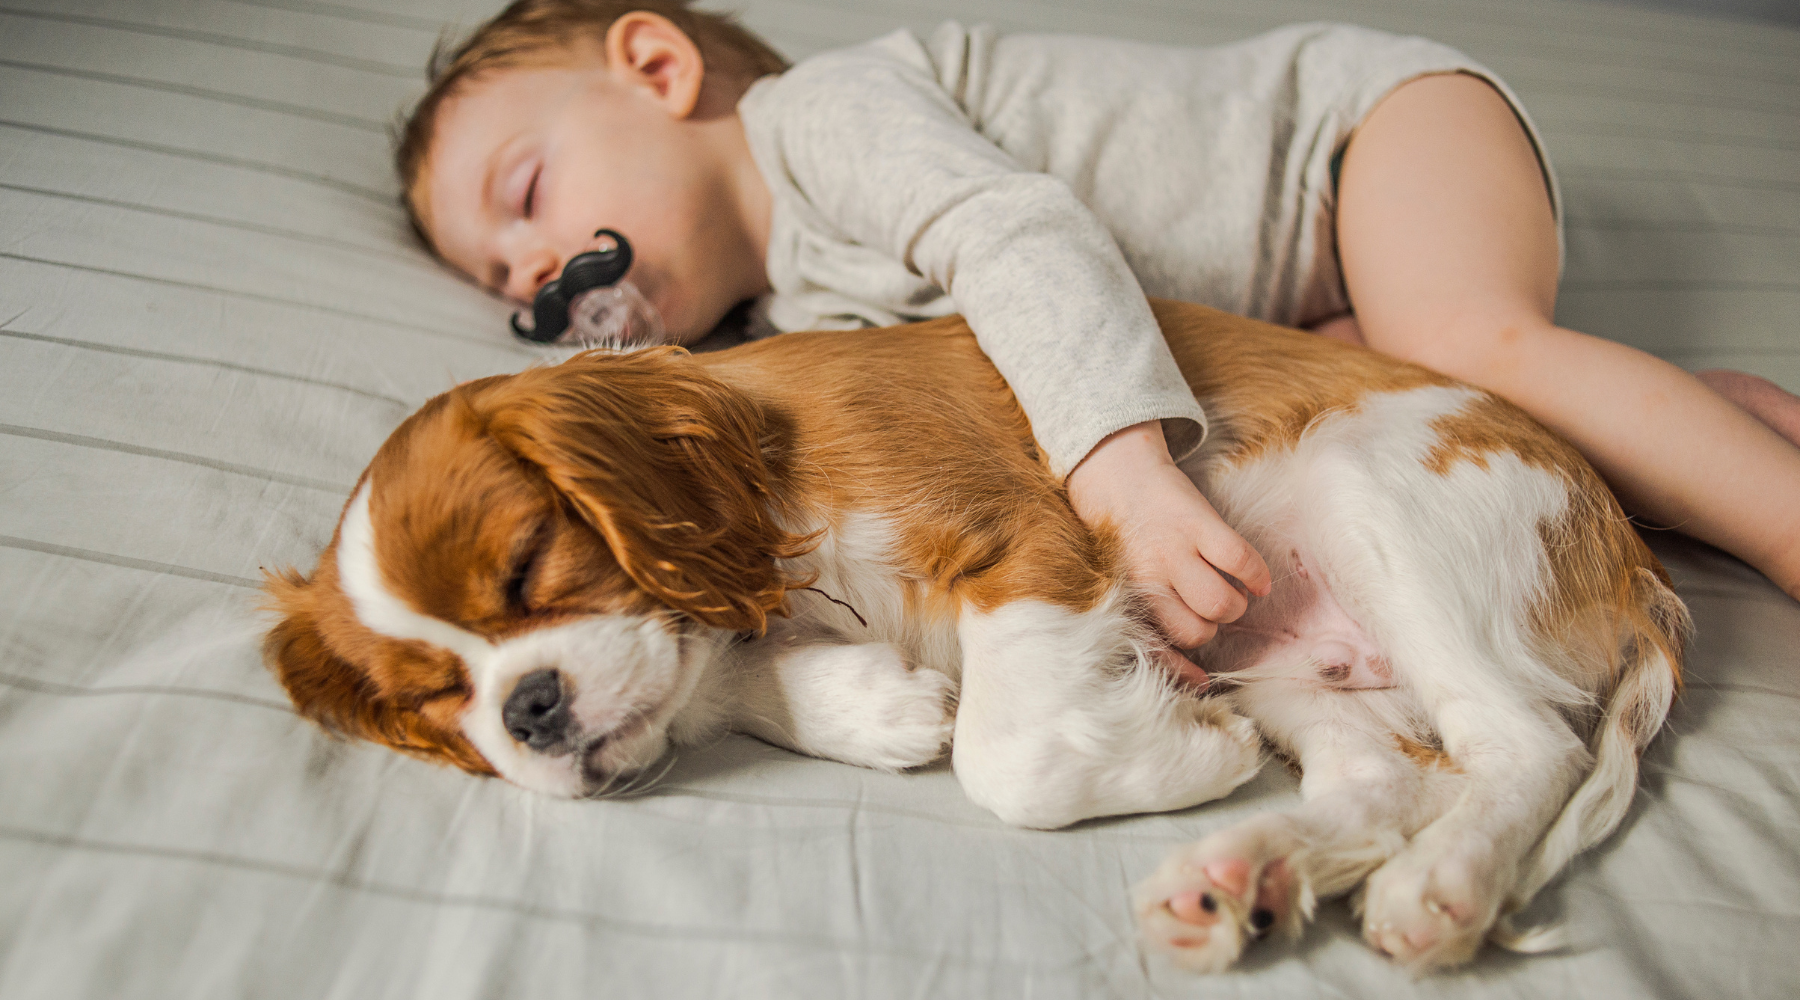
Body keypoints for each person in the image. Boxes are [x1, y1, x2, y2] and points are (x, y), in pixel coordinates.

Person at [397, 0, 1800, 654]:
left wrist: (1122, 472)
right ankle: (1700, 421)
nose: (536, 272)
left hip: (1357, 137)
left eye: (525, 199)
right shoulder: (796, 315)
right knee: (1445, 411)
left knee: (1468, 340)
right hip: (1297, 312)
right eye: (506, 278)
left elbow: (1025, 242)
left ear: (656, 65)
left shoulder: (818, 123)